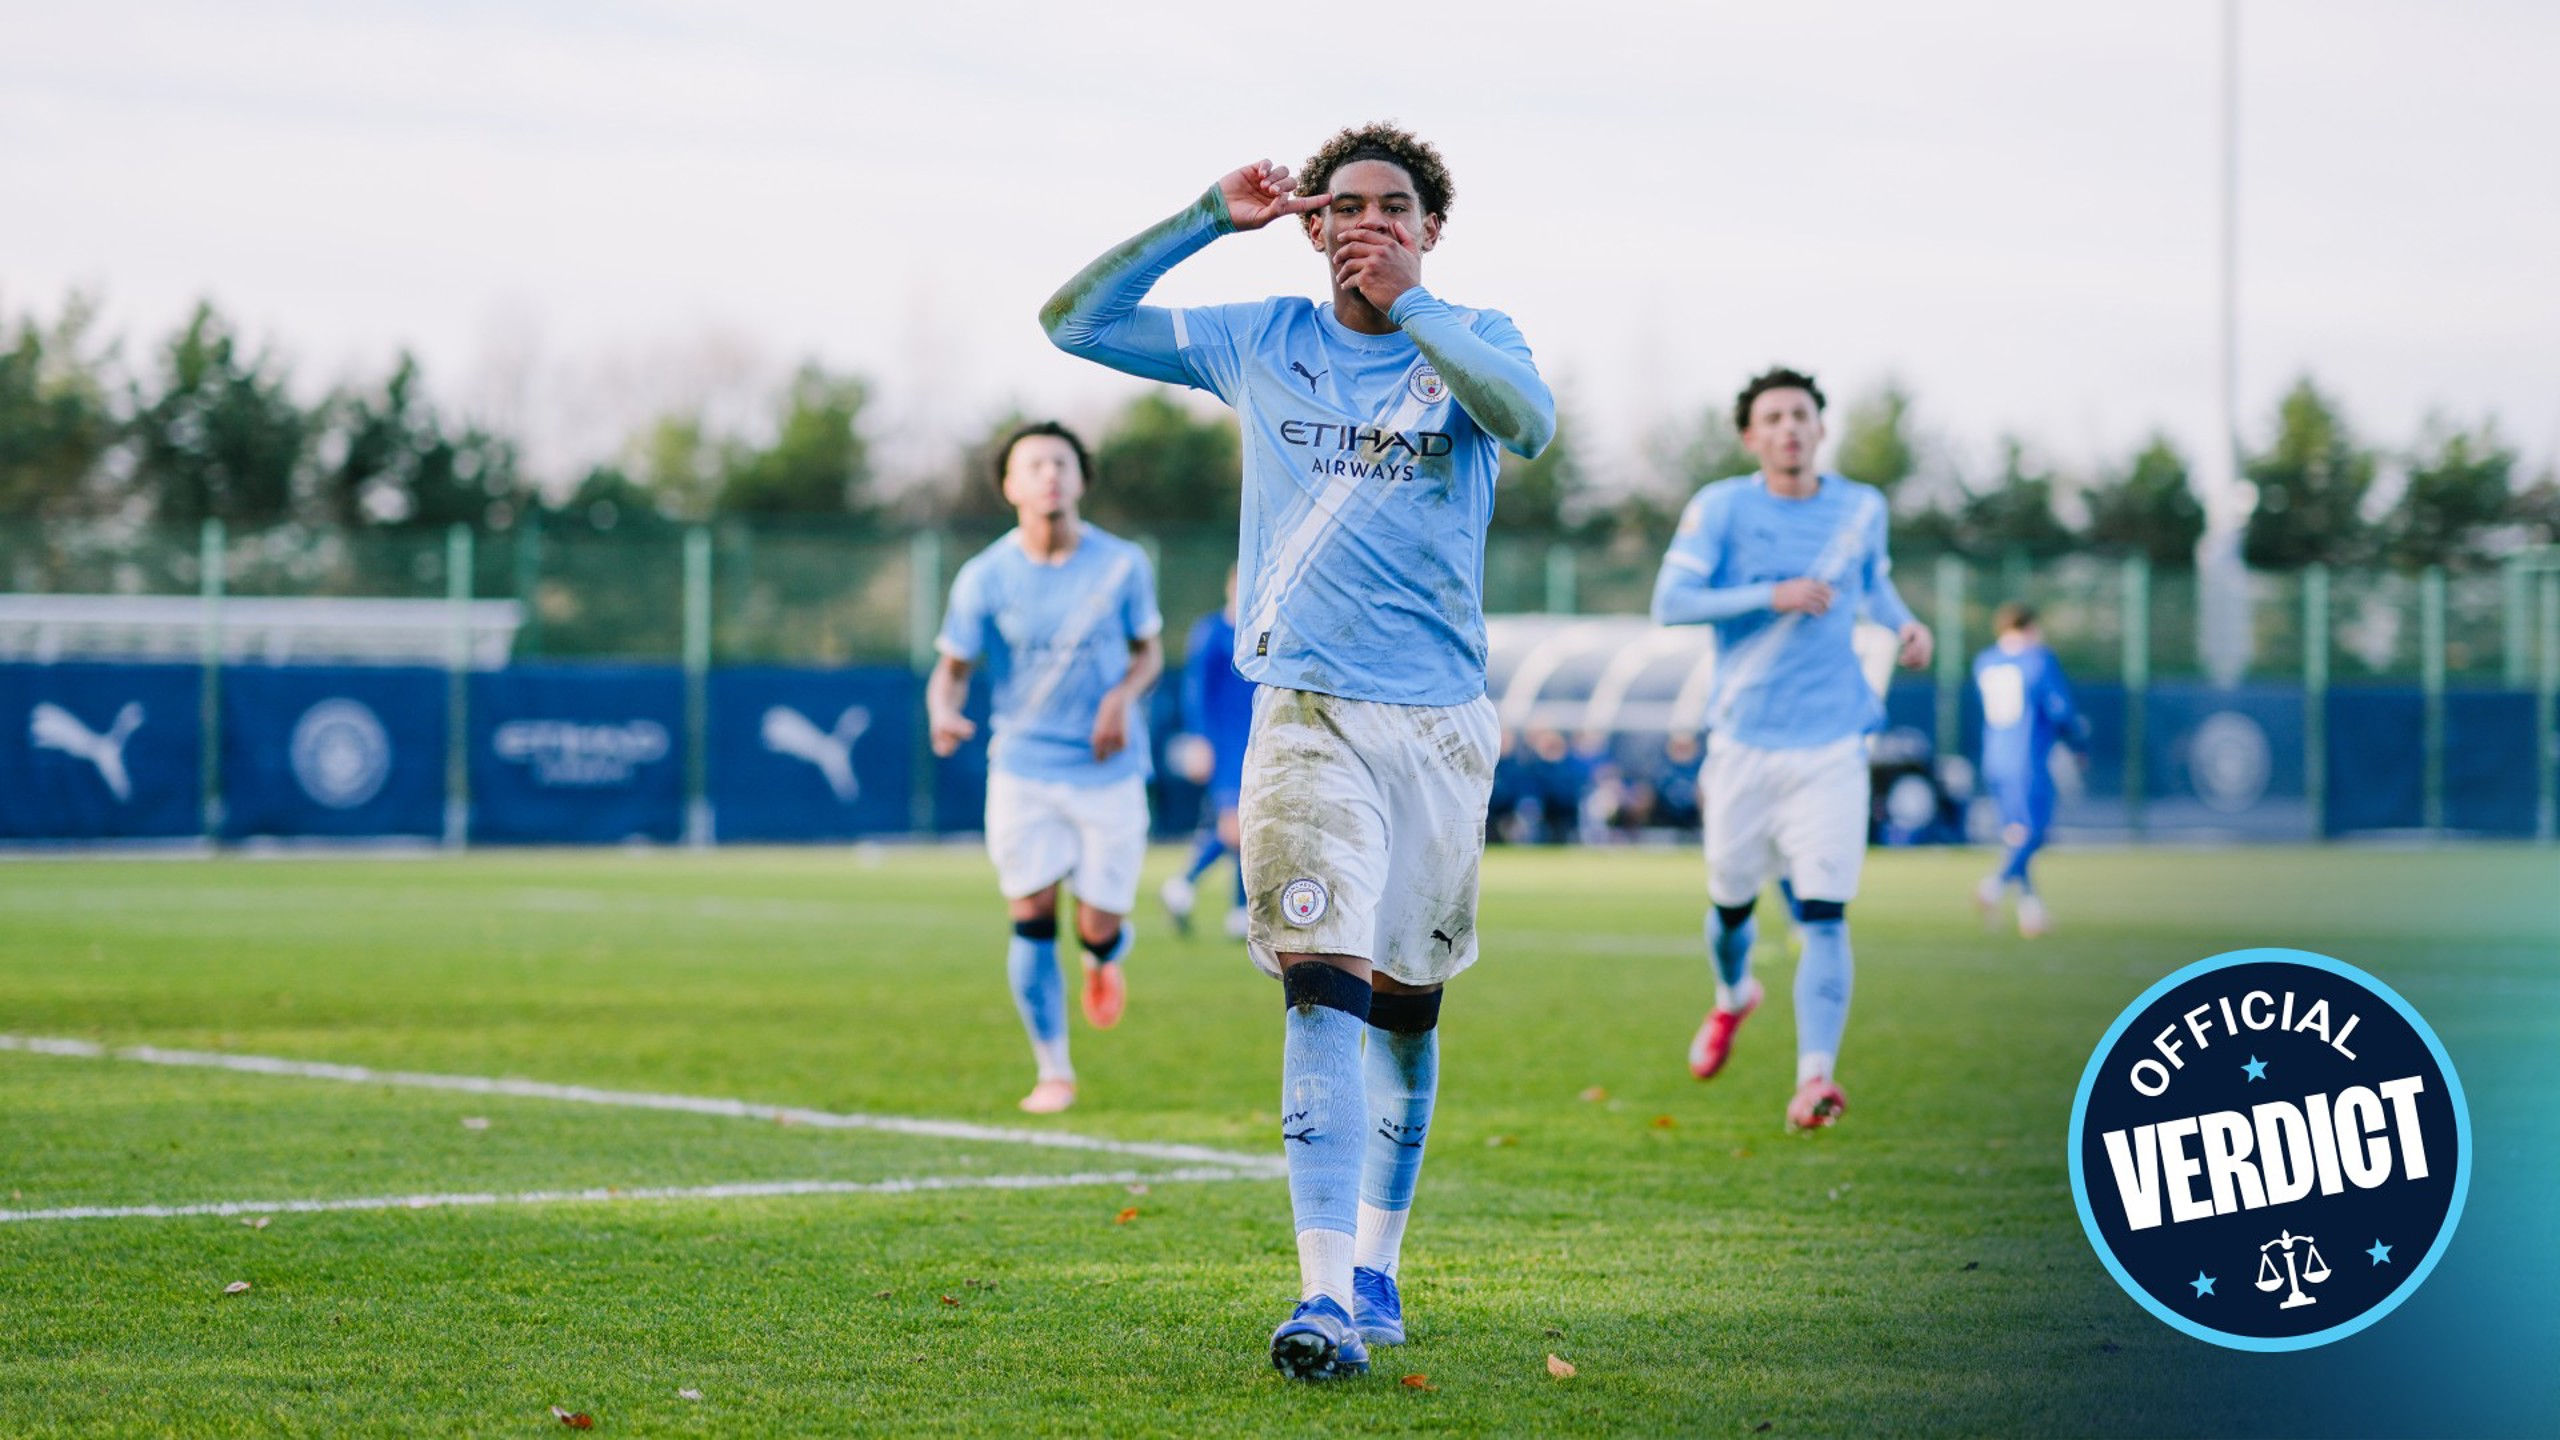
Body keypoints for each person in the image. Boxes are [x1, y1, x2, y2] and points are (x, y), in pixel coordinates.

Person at [1043, 123, 1553, 1380]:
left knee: (1405, 1008)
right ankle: (1322, 1296)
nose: (1367, 224)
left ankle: (1379, 1264)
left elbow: (1528, 424)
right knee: (1319, 974)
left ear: (1429, 232)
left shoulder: (1475, 335)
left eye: (1394, 209)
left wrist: (1415, 308)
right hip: (1303, 711)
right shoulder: (1259, 339)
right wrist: (1205, 217)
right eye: (1345, 208)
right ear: (1313, 227)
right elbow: (1071, 321)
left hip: (1436, 724)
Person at [1649, 367, 1932, 1131]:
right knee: (1732, 906)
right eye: (1772, 418)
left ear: (1820, 427)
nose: (1788, 429)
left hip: (1835, 743)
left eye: (1800, 415)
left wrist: (1904, 624)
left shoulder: (1860, 508)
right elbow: (1670, 603)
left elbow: (1872, 585)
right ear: (1751, 436)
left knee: (1825, 913)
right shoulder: (1722, 508)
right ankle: (1734, 996)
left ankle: (1814, 1080)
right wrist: (1767, 595)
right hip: (1742, 743)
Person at [926, 421, 1164, 1116]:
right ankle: (1053, 1070)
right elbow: (951, 671)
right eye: (1033, 465)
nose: (1049, 475)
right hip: (1024, 768)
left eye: (1061, 462)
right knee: (1030, 911)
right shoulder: (984, 576)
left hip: (1109, 769)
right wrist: (943, 712)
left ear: (1082, 478)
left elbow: (1147, 651)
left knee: (1094, 922)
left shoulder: (1123, 565)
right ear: (1009, 486)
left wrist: (1123, 695)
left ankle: (1103, 952)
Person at [1972, 601, 2088, 937]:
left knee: (2015, 834)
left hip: (1995, 756)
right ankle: (1993, 887)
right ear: (2030, 627)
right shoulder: (2038, 659)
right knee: (2036, 832)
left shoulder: (1986, 661)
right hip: (2028, 758)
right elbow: (2060, 710)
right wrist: (2079, 745)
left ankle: (2030, 911)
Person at [1160, 567, 1254, 941]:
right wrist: (1199, 739)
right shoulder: (1211, 632)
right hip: (1223, 744)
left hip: (1254, 742)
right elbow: (1194, 690)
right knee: (1235, 827)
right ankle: (1184, 884)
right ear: (1230, 584)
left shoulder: (1259, 634)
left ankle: (1238, 911)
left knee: (1247, 824)